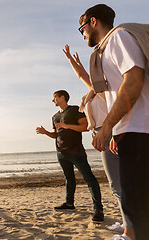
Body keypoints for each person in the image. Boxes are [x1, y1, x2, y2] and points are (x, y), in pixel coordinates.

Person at [79, 4, 149, 239]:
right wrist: (117, 131)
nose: (83, 34)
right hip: (129, 130)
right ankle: (131, 233)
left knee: (135, 194)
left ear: (93, 21)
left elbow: (133, 81)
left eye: (83, 28)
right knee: (132, 193)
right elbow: (114, 92)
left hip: (141, 128)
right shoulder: (105, 49)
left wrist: (107, 127)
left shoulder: (119, 37)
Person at [62, 45, 133, 235]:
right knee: (121, 183)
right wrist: (72, 61)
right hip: (105, 133)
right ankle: (128, 223)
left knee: (117, 184)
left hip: (109, 133)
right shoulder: (94, 92)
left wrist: (72, 62)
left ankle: (130, 229)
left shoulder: (104, 92)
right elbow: (84, 76)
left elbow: (84, 77)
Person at [36, 90, 104, 221]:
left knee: (89, 178)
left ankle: (98, 209)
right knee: (69, 178)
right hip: (61, 152)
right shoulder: (54, 116)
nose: (53, 100)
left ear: (62, 98)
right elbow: (56, 134)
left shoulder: (75, 110)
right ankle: (69, 203)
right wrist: (45, 132)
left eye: (54, 98)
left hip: (76, 150)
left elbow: (85, 127)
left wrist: (66, 126)